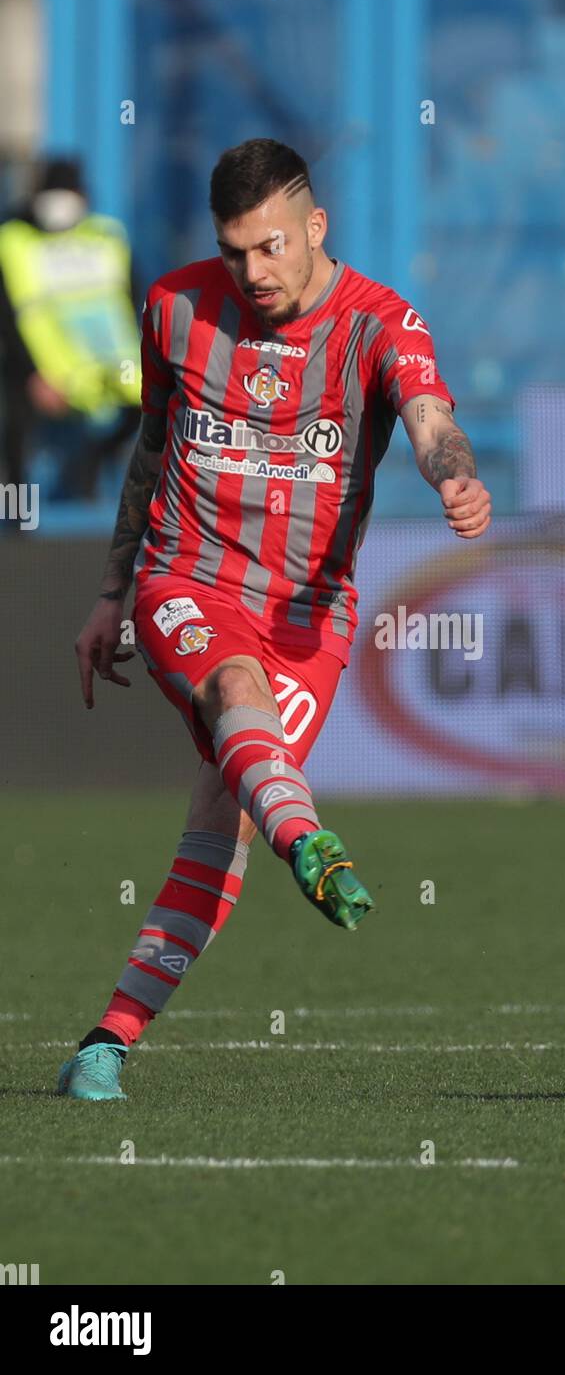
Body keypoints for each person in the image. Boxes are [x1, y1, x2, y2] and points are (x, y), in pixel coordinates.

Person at [59, 138, 492, 1101]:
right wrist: (108, 592)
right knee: (234, 692)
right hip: (188, 581)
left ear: (314, 228)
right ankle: (312, 841)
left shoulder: (381, 324)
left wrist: (455, 473)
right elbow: (152, 447)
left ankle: (105, 1043)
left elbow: (428, 417)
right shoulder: (174, 305)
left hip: (309, 617)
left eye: (270, 248)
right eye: (233, 251)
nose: (252, 272)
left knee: (224, 816)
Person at [0, 157, 141, 500]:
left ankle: (95, 468)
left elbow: (133, 298)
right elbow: (9, 317)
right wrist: (34, 374)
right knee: (14, 415)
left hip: (107, 365)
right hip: (42, 372)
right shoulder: (14, 240)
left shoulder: (106, 237)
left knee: (150, 404)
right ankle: (17, 519)